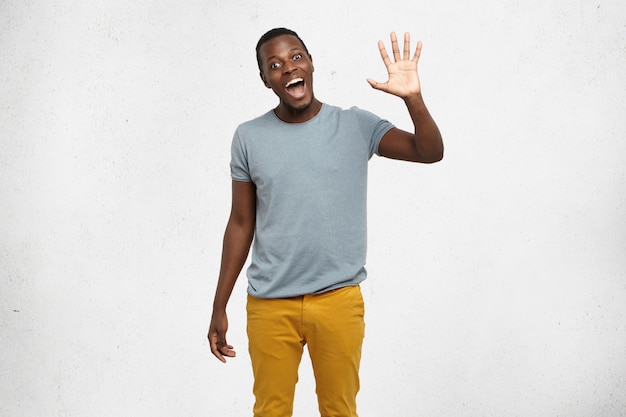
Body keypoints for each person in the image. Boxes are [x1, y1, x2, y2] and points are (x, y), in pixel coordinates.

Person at [208, 27, 443, 417]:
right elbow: (240, 223)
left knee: (339, 411)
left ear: (311, 63)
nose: (288, 69)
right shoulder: (248, 137)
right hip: (269, 304)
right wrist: (219, 305)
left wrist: (413, 99)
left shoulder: (355, 125)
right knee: (270, 411)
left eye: (296, 57)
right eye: (275, 65)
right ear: (266, 80)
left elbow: (429, 151)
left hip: (337, 300)